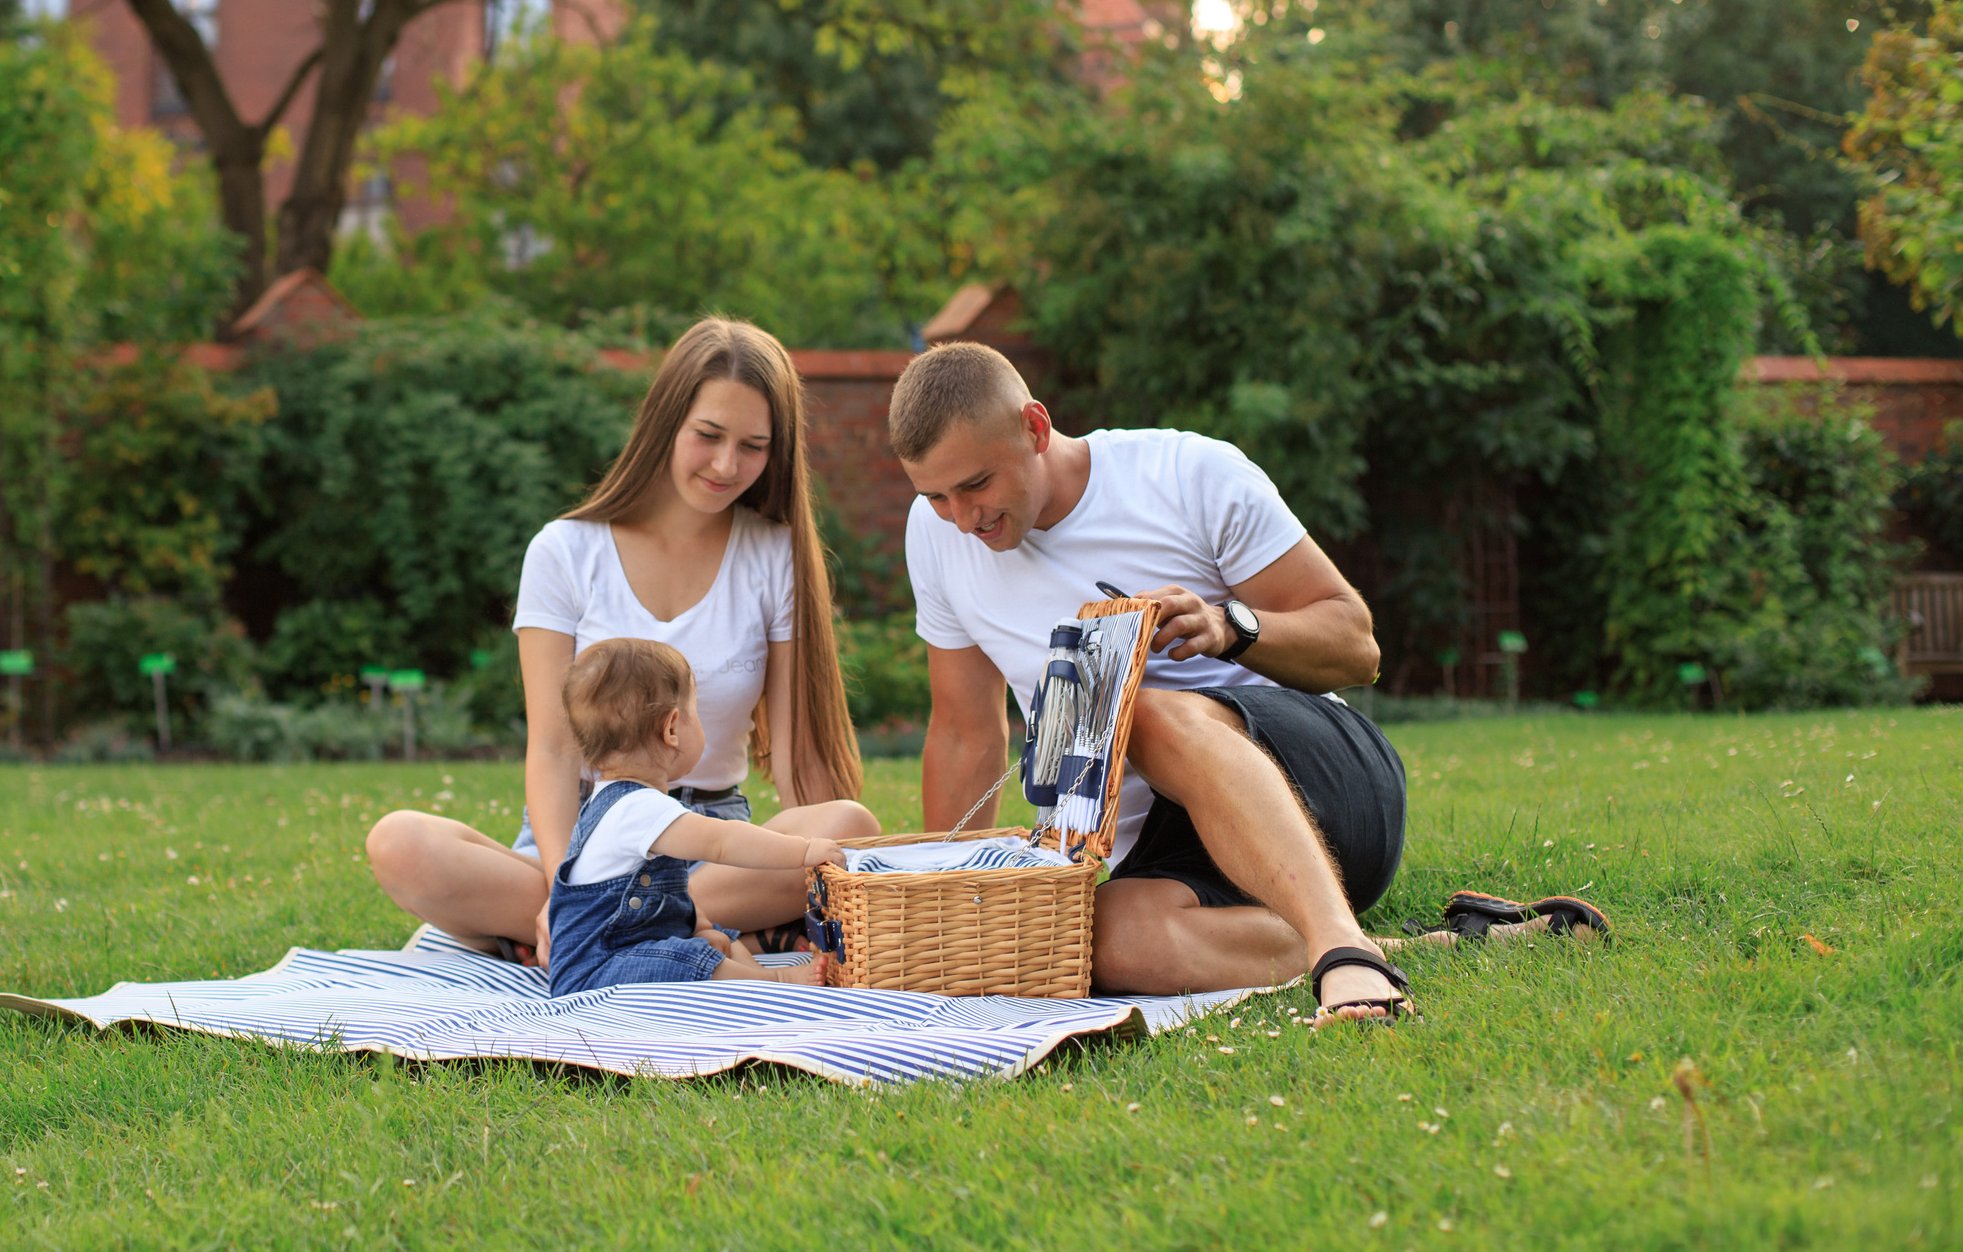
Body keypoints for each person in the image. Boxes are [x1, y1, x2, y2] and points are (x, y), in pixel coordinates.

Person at [890, 342, 1598, 1027]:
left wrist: (1235, 626)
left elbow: (1356, 643)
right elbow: (964, 730)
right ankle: (1431, 944)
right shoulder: (936, 534)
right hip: (1183, 849)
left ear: (1036, 427)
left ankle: (1339, 949)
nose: (963, 517)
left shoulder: (1185, 473)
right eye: (937, 496)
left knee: (1148, 712)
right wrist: (936, 906)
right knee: (1096, 942)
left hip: (1326, 787)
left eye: (976, 485)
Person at [366, 318, 880, 963]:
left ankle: (555, 937)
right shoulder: (565, 551)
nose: (728, 465)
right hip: (585, 840)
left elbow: (801, 757)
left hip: (709, 841)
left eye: (754, 446)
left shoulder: (774, 554)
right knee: (402, 844)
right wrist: (563, 887)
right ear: (666, 421)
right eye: (709, 435)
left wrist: (821, 874)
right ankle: (645, 927)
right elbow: (553, 749)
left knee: (851, 826)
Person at [546, 638, 844, 992]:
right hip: (598, 973)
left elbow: (669, 897)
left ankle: (751, 977)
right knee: (689, 958)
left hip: (632, 950)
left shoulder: (617, 801)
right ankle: (773, 982)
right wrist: (803, 851)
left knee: (720, 939)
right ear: (672, 728)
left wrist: (701, 927)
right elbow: (722, 841)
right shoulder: (637, 809)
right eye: (695, 711)